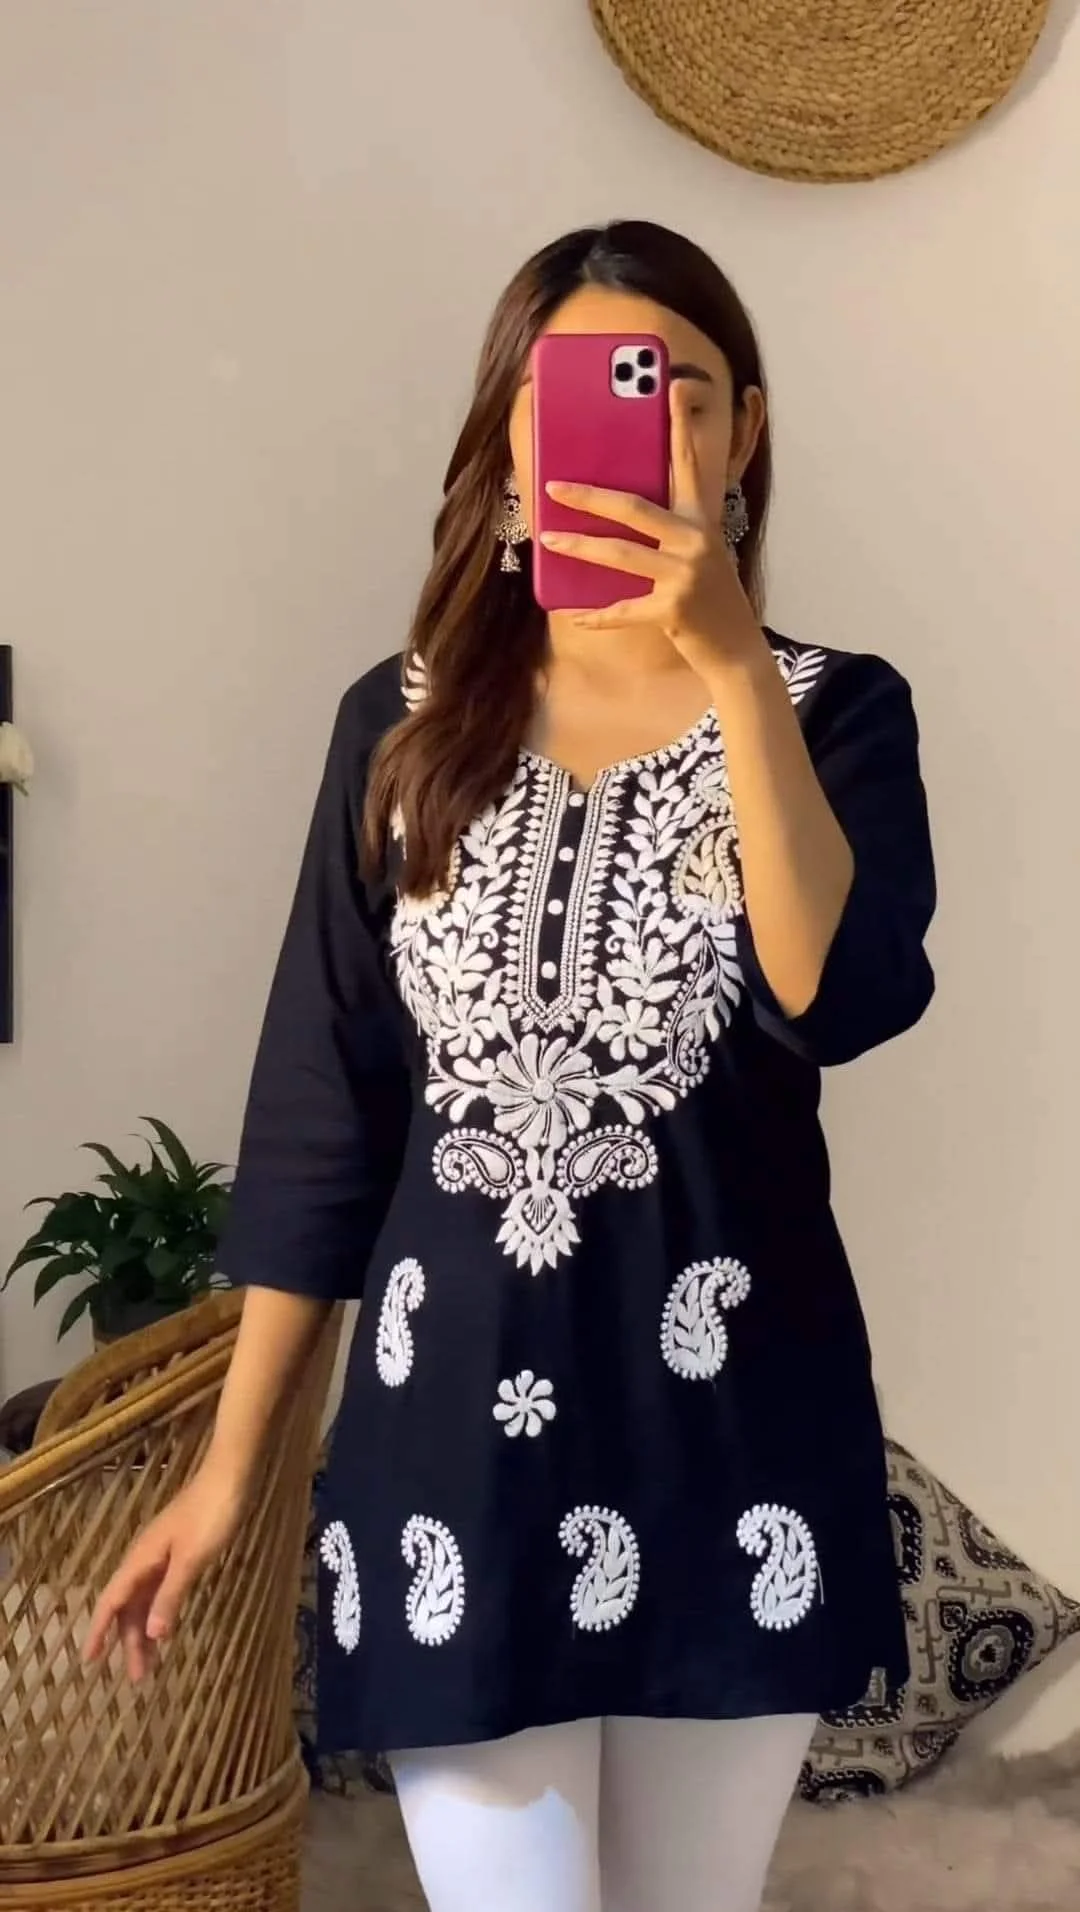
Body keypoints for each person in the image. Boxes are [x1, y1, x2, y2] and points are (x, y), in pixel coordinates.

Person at [84, 221, 936, 1912]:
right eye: (587, 392)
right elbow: (322, 1122)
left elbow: (832, 991)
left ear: (745, 433)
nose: (644, 425)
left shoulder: (835, 710)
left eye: (682, 389)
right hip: (450, 1458)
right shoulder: (399, 729)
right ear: (512, 435)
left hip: (735, 1438)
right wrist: (233, 1475)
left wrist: (732, 669)